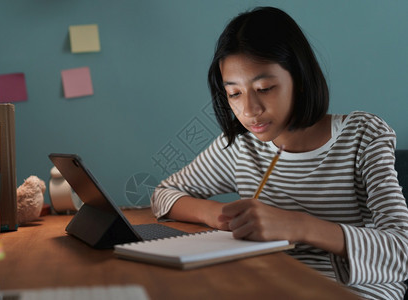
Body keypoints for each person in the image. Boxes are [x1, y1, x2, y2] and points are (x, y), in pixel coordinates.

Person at [150, 6, 408, 300]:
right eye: (234, 93)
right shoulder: (242, 147)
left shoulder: (362, 136)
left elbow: (401, 251)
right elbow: (163, 195)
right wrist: (218, 215)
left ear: (298, 79)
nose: (249, 110)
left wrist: (298, 225)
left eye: (265, 87)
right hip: (273, 284)